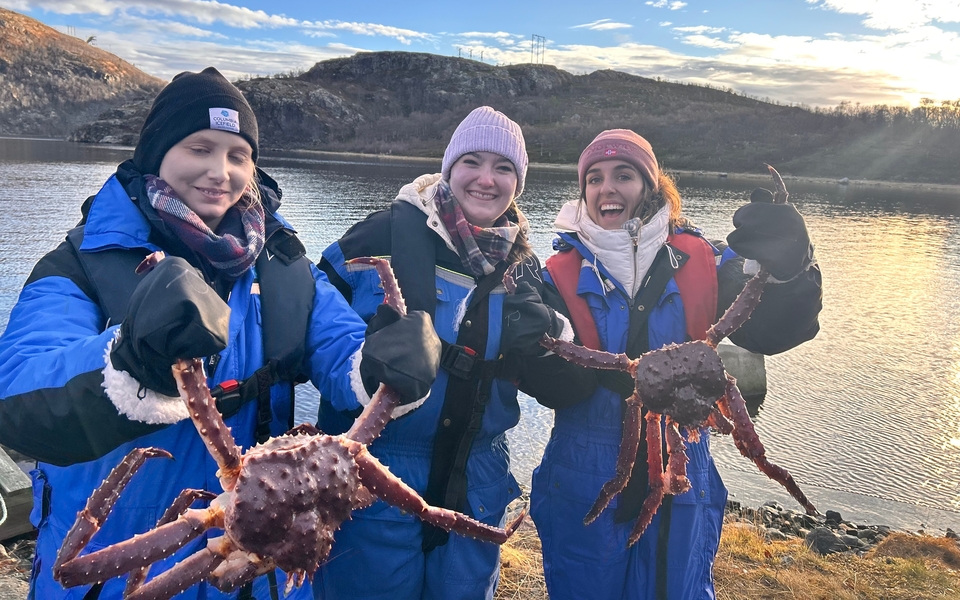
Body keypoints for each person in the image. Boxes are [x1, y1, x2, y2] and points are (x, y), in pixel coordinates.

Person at [0, 67, 441, 600]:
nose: (220, 171)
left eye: (238, 155)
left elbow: (343, 352)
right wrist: (130, 359)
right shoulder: (80, 265)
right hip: (116, 565)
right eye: (199, 148)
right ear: (155, 154)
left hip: (261, 569)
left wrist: (384, 365)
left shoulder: (283, 265)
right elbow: (18, 400)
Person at [530, 129, 823, 600]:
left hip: (687, 464)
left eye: (624, 175)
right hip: (580, 470)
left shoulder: (707, 260)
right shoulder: (552, 276)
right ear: (583, 192)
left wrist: (792, 271)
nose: (608, 188)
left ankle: (793, 491)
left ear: (651, 185)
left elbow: (773, 326)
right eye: (595, 178)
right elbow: (537, 363)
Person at [314, 106, 590, 600]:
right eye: (472, 162)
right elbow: (308, 330)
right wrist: (362, 355)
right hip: (371, 479)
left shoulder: (524, 269)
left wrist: (554, 333)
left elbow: (566, 383)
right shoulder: (378, 237)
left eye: (503, 168)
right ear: (448, 169)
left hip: (477, 483)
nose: (487, 179)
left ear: (518, 183)